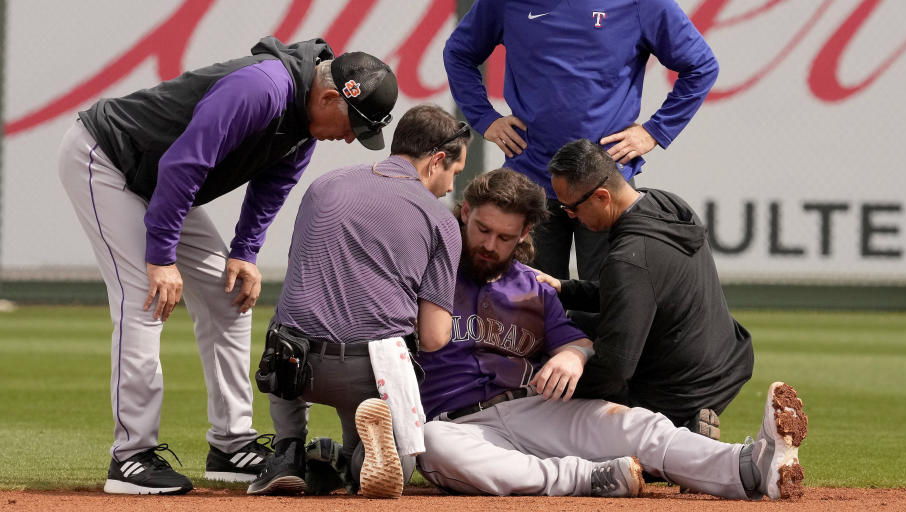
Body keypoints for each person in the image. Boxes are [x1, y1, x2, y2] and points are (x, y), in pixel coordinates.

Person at [57, 36, 399, 495]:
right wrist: (160, 256)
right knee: (145, 298)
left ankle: (231, 443)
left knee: (229, 294)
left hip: (156, 177)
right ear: (330, 96)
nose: (352, 136)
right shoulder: (262, 88)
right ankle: (131, 455)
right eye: (354, 123)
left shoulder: (304, 122)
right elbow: (185, 162)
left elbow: (273, 184)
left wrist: (245, 252)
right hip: (107, 159)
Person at [415, 168, 807, 500]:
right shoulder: (429, 272)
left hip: (532, 407)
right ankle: (589, 477)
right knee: (432, 445)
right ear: (465, 212)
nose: (489, 244)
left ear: (523, 234)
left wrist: (575, 354)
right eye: (482, 229)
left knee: (637, 425)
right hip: (457, 424)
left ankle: (751, 466)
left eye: (504, 237)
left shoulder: (532, 287)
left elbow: (575, 340)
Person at [444, 0, 719, 282]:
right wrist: (486, 119)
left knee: (606, 306)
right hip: (531, 179)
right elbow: (459, 53)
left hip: (605, 183)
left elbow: (701, 66)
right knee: (526, 308)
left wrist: (655, 132)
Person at [246, 104, 471, 498]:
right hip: (370, 368)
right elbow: (435, 337)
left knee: (287, 323)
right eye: (454, 171)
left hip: (292, 363)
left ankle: (289, 449)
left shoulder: (324, 185)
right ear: (437, 160)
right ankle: (349, 460)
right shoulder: (441, 219)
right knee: (391, 469)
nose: (453, 185)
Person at [543, 138, 754, 438]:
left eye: (571, 208)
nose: (569, 216)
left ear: (602, 197)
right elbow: (635, 293)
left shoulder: (629, 259)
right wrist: (564, 288)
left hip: (677, 393)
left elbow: (614, 370)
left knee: (559, 428)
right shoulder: (666, 203)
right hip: (723, 366)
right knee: (577, 322)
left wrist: (548, 378)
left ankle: (680, 436)